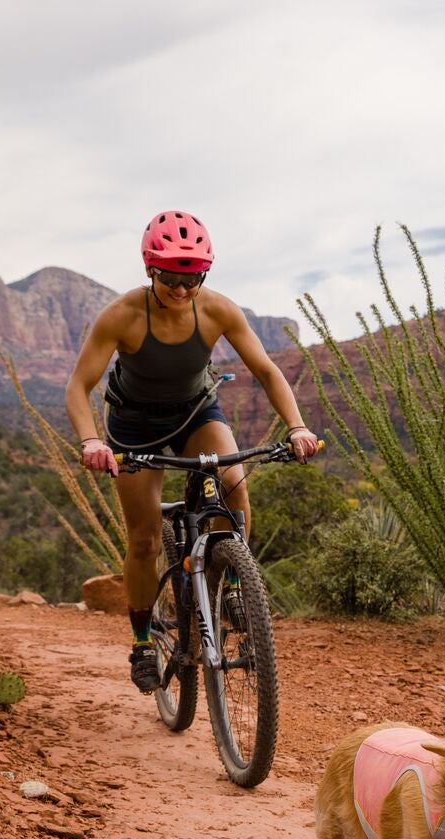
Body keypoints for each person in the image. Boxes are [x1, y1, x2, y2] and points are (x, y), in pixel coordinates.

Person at [65, 209, 321, 692]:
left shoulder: (218, 309)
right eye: (170, 279)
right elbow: (79, 385)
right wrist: (91, 440)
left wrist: (298, 426)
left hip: (195, 413)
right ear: (150, 270)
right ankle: (142, 641)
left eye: (192, 278)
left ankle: (237, 587)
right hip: (133, 425)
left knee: (233, 484)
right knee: (142, 539)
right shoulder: (121, 316)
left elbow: (266, 370)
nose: (182, 290)